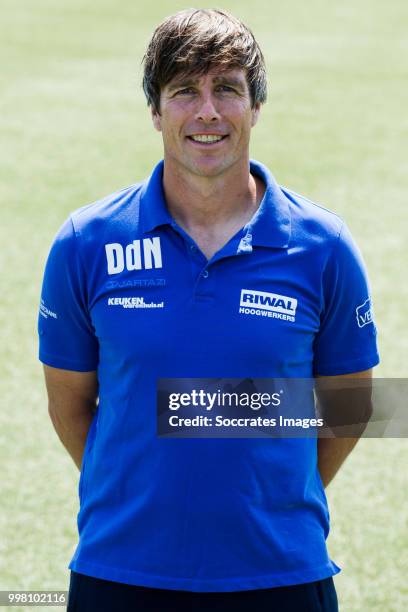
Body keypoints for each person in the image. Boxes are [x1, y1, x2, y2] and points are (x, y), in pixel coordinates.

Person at [38, 8, 379, 612]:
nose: (208, 112)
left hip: (280, 572)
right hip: (120, 570)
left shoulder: (323, 247)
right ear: (154, 111)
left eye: (227, 89)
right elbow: (70, 404)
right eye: (183, 92)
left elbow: (349, 406)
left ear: (255, 107)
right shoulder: (86, 242)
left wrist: (262, 484)